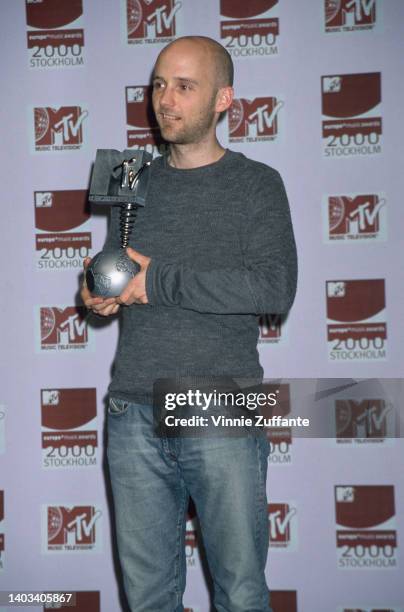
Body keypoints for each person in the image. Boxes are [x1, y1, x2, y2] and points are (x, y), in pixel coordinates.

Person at [81, 36, 297, 612]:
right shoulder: (132, 175)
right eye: (158, 85)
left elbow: (274, 289)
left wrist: (159, 281)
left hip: (221, 406)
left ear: (224, 99)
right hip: (133, 411)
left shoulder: (257, 184)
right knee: (149, 599)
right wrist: (100, 290)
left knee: (241, 594)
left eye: (184, 86)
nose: (164, 100)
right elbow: (121, 265)